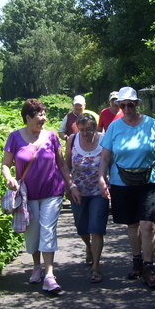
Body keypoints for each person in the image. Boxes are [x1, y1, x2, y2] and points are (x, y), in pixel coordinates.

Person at [1, 98, 81, 293]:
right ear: (28, 117)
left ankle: (50, 275)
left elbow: (61, 164)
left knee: (48, 230)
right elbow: (5, 165)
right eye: (40, 115)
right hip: (27, 195)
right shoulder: (14, 137)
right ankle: (37, 267)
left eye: (45, 114)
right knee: (33, 231)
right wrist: (9, 177)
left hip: (52, 192)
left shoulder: (51, 137)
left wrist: (71, 185)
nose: (44, 118)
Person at [98, 86, 155, 289]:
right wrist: (102, 179)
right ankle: (137, 261)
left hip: (149, 179)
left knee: (148, 224)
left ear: (136, 104)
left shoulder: (151, 124)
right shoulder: (114, 127)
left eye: (130, 104)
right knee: (132, 225)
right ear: (118, 105)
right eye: (122, 105)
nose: (127, 108)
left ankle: (149, 267)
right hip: (122, 181)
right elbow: (105, 157)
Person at [65, 113, 109, 283]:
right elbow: (66, 164)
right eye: (82, 129)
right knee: (81, 227)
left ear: (94, 127)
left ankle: (96, 266)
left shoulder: (104, 139)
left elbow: (110, 162)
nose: (85, 133)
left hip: (99, 191)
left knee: (96, 227)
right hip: (78, 191)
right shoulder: (72, 139)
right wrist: (69, 186)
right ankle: (89, 247)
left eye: (89, 129)